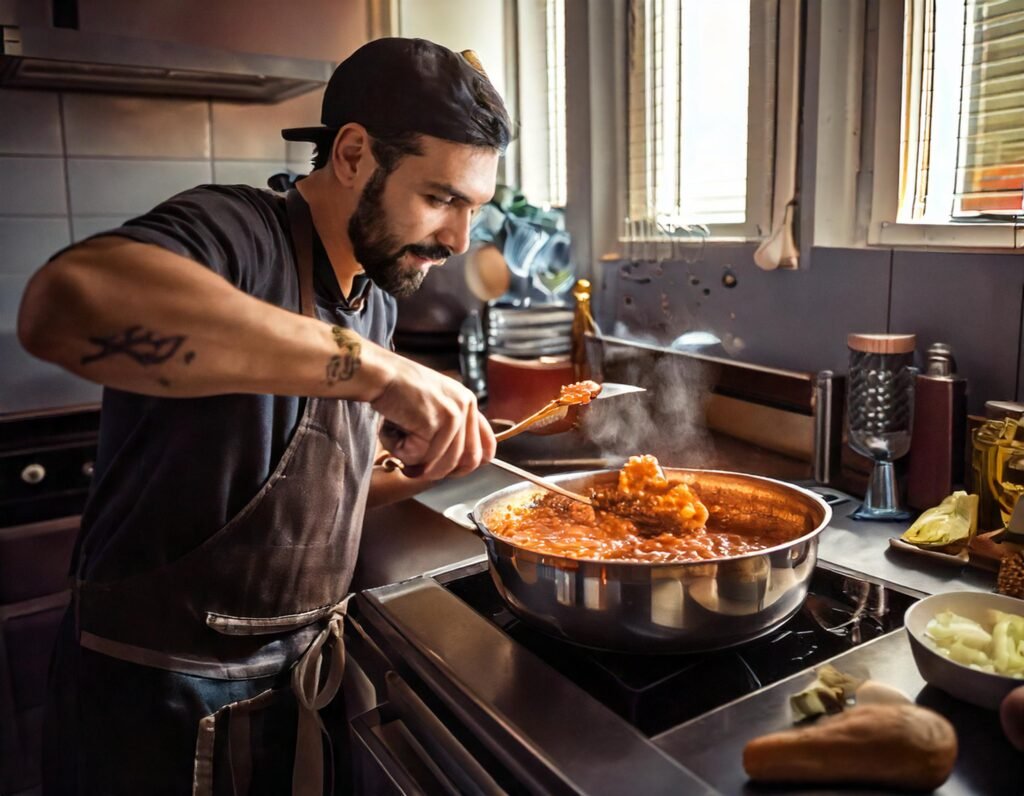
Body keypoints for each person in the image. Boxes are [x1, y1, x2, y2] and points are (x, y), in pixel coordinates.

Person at [17, 37, 511, 795]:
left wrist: (418, 468)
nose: (457, 239)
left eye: (473, 208)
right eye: (441, 198)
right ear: (351, 156)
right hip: (153, 706)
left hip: (285, 690)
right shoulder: (240, 233)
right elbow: (64, 306)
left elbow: (287, 487)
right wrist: (379, 371)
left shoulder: (371, 293)